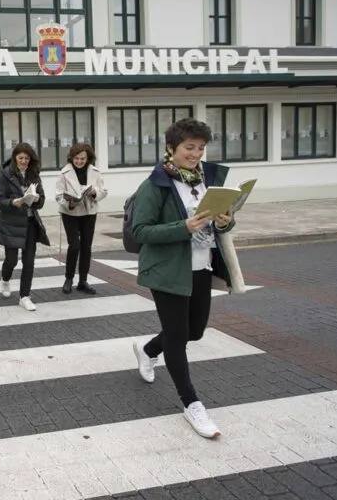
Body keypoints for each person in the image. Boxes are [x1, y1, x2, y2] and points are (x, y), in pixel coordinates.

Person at [130, 117, 236, 439]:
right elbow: (140, 231)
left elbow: (222, 227)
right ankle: (191, 404)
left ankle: (148, 350)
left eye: (201, 148)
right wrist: (183, 227)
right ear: (171, 148)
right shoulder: (156, 184)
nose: (196, 154)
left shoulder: (206, 181)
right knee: (177, 338)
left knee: (194, 331)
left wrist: (224, 221)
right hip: (167, 271)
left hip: (201, 267)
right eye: (189, 148)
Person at [0, 143, 51, 312]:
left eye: (27, 158)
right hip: (11, 223)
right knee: (11, 260)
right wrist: (13, 202)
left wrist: (37, 199)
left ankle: (24, 296)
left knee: (29, 261)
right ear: (14, 158)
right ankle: (5, 279)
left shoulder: (34, 174)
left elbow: (42, 200)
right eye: (20, 158)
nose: (24, 161)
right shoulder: (5, 175)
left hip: (30, 223)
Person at [55, 143, 107, 295]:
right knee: (74, 245)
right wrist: (69, 202)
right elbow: (58, 196)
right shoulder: (64, 173)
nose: (79, 161)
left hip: (89, 213)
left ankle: (83, 281)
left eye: (82, 158)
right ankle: (68, 279)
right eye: (76, 158)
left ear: (88, 158)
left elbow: (103, 191)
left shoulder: (95, 172)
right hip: (70, 213)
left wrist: (94, 193)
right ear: (72, 158)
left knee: (86, 247)